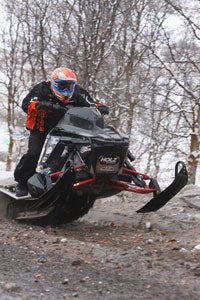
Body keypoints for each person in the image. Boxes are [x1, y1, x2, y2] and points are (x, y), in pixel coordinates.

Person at [14, 67, 109, 197]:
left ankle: (76, 181)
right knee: (34, 154)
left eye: (69, 87)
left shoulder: (78, 92)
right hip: (42, 128)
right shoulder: (42, 89)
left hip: (67, 129)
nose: (66, 90)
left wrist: (99, 107)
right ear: (53, 84)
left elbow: (91, 104)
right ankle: (22, 182)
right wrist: (40, 105)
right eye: (62, 86)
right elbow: (26, 103)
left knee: (67, 156)